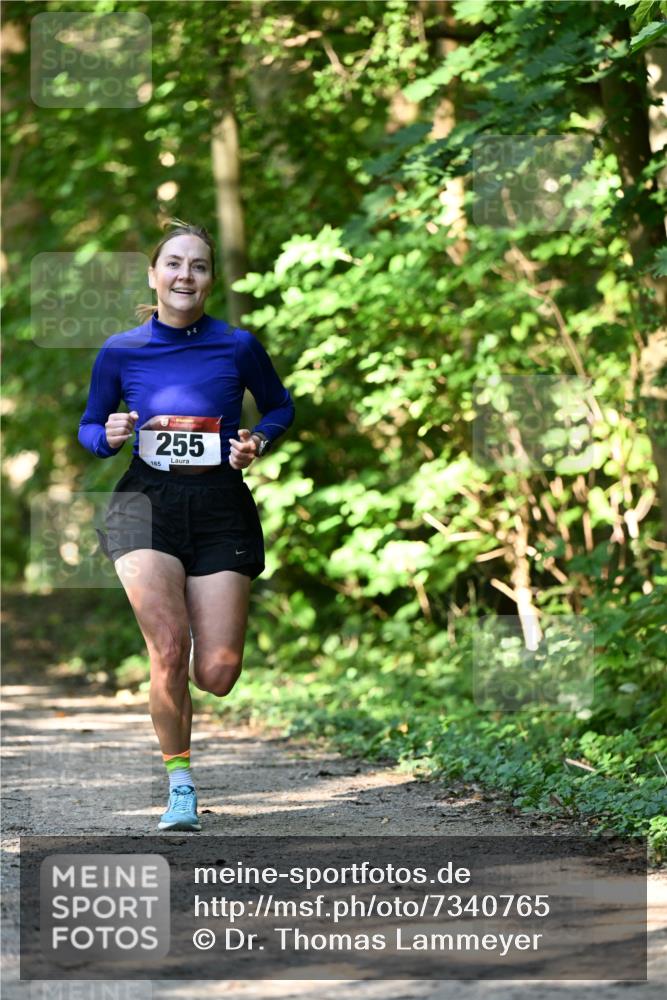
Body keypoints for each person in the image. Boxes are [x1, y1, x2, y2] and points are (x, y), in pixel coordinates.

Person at [78, 219, 295, 831]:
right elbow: (91, 425)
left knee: (217, 673)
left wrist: (256, 439)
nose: (185, 275)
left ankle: (190, 676)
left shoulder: (238, 345)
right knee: (169, 648)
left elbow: (281, 405)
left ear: (210, 280)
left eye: (198, 266)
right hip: (145, 502)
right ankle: (180, 784)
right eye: (174, 263)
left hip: (221, 504)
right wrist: (108, 435)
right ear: (154, 275)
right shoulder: (122, 350)